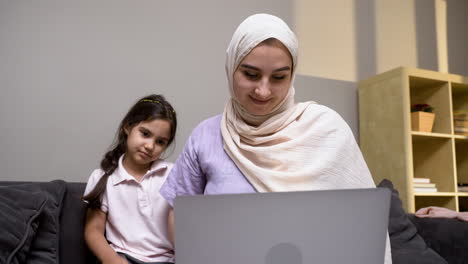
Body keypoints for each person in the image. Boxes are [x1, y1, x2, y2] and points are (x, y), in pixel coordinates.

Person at [160, 13, 391, 263]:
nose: (263, 90)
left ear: (292, 75)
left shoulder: (327, 129)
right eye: (250, 74)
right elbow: (177, 211)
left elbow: (361, 224)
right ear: (231, 67)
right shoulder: (206, 135)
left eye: (279, 77)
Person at [82, 94, 177, 264]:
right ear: (128, 127)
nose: (150, 146)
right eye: (145, 133)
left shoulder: (172, 174)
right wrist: (113, 260)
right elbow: (93, 230)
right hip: (122, 258)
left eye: (160, 142)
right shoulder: (102, 177)